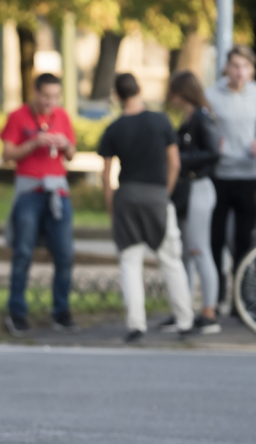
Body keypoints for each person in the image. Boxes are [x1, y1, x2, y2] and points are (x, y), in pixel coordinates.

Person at [98, 73, 196, 344]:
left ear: (117, 96)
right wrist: (164, 192)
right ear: (139, 90)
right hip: (156, 196)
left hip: (126, 196)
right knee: (171, 260)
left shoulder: (114, 128)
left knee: (130, 262)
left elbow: (105, 176)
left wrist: (111, 207)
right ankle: (185, 320)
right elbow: (174, 163)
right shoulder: (161, 121)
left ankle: (136, 324)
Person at [0, 73, 78, 336]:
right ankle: (17, 313)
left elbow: (71, 154)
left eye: (55, 97)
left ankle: (61, 311)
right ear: (34, 93)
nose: (50, 102)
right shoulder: (18, 116)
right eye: (45, 96)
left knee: (65, 254)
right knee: (23, 252)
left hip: (57, 191)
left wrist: (65, 143)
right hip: (29, 191)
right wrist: (33, 143)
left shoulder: (62, 117)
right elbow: (7, 154)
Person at [205, 46, 256, 313]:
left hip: (247, 174)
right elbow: (205, 126)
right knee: (216, 239)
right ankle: (216, 297)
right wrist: (214, 142)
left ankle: (241, 300)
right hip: (219, 174)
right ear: (227, 67)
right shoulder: (212, 95)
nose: (239, 72)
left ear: (252, 69)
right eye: (235, 66)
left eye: (245, 66)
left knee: (245, 240)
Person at [166, 71, 223, 334]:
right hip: (189, 189)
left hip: (199, 187)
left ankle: (209, 310)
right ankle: (184, 308)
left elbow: (212, 152)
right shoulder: (190, 118)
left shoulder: (201, 117)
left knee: (200, 250)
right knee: (187, 251)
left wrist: (181, 158)